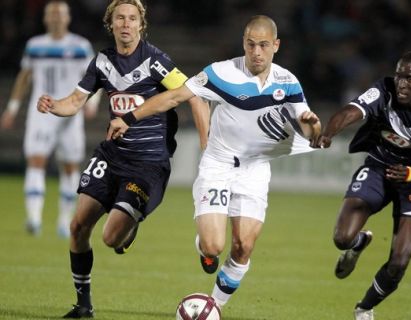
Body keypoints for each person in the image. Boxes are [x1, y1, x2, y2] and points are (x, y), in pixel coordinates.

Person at [107, 15, 322, 312]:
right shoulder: (221, 74)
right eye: (250, 45)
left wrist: (313, 125)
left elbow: (310, 130)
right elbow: (175, 97)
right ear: (243, 44)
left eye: (263, 45)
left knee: (243, 246)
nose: (256, 52)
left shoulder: (288, 82)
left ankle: (214, 308)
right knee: (213, 247)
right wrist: (128, 118)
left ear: (276, 46)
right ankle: (204, 246)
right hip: (219, 164)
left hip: (255, 169)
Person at [36, 0, 209, 318]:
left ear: (141, 25)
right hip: (111, 155)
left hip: (147, 165)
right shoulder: (102, 62)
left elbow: (194, 97)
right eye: (120, 18)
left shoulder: (155, 61)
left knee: (110, 238)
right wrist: (53, 104)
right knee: (77, 226)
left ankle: (129, 225)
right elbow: (75, 101)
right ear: (111, 24)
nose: (126, 24)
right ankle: (83, 305)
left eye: (132, 18)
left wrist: (206, 147)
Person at [313, 50, 411, 320]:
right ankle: (358, 243)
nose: (402, 83)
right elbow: (350, 111)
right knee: (341, 238)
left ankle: (364, 307)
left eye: (410, 78)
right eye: (400, 76)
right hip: (379, 167)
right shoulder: (384, 89)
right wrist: (329, 132)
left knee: (399, 261)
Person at [0, 0, 100, 238]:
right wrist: (12, 108)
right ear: (45, 18)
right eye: (52, 14)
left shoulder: (80, 46)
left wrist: (92, 103)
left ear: (68, 18)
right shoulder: (35, 45)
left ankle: (64, 221)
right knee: (36, 161)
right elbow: (24, 77)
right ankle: (34, 219)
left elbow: (96, 76)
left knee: (70, 167)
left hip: (69, 113)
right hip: (41, 114)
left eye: (60, 14)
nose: (56, 17)